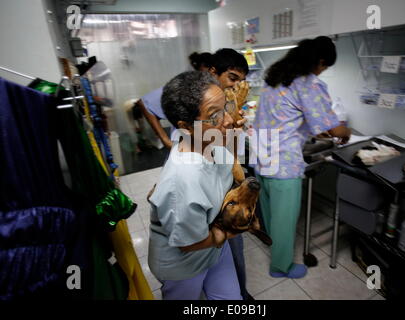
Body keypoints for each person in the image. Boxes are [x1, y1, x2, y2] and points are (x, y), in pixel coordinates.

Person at [251, 36, 351, 279]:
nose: (323, 71)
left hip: (262, 155)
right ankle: (280, 267)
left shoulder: (274, 79)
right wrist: (344, 131)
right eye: (325, 67)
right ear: (320, 61)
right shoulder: (309, 84)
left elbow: (292, 114)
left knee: (271, 212)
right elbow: (334, 128)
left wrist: (321, 125)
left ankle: (274, 248)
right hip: (284, 163)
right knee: (285, 219)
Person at [147, 71, 245, 300]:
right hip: (184, 262)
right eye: (214, 116)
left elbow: (229, 162)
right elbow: (189, 244)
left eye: (226, 108)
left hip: (214, 247)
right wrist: (231, 231)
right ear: (186, 126)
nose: (227, 120)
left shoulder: (211, 141)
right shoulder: (183, 181)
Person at [137, 49, 248, 150]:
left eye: (241, 81)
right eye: (232, 78)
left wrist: (235, 123)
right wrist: (165, 141)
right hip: (188, 160)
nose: (236, 85)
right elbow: (145, 102)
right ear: (213, 72)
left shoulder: (230, 98)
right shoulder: (189, 90)